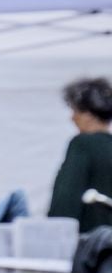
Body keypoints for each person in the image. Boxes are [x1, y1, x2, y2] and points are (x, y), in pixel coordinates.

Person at [49, 76, 112, 234]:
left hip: (89, 244)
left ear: (89, 114)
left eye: (75, 110)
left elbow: (66, 198)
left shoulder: (82, 144)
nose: (72, 117)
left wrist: (53, 234)